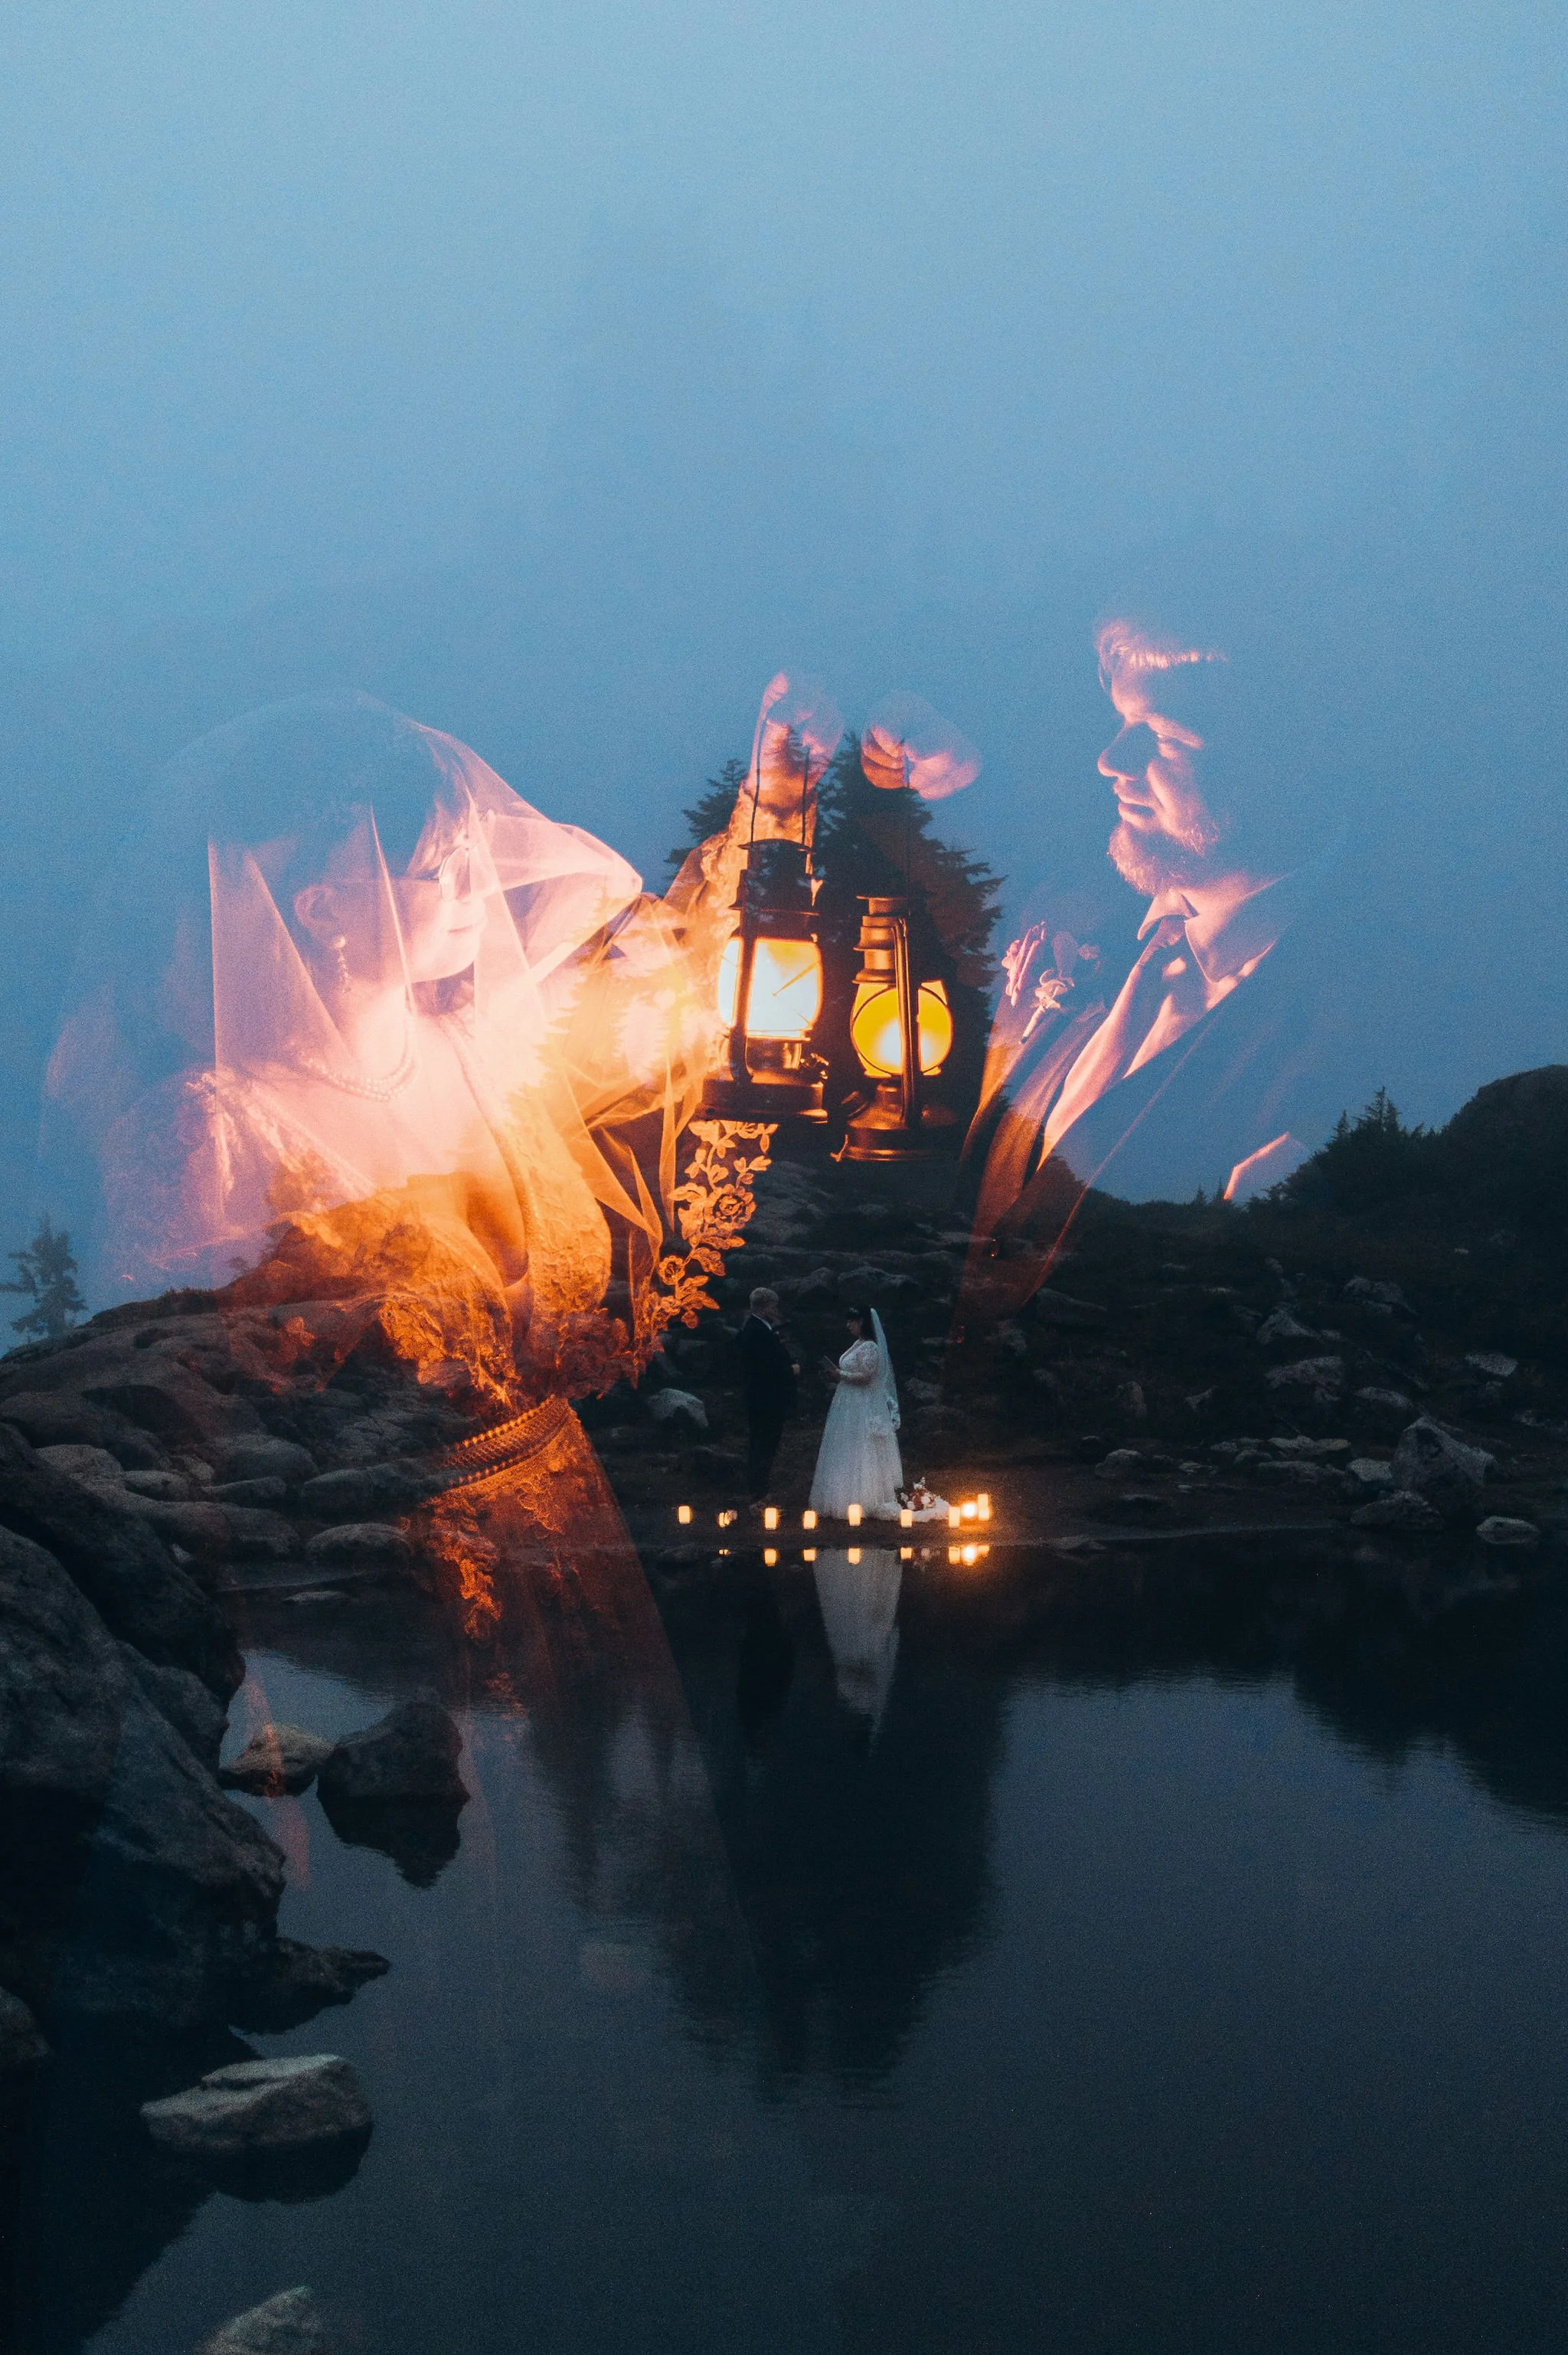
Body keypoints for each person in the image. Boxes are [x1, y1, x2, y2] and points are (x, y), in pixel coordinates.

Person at [962, 609, 1343, 1322]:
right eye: (1119, 722)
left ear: (1288, 761)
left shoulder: (1355, 1039)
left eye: (1163, 736)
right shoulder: (1078, 922)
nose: (1110, 759)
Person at [809, 1304, 903, 1520]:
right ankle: (844, 1494)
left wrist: (839, 1373)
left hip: (861, 1402)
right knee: (846, 1444)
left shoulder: (871, 1347)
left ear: (861, 1322)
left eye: (852, 1321)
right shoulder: (858, 1344)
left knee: (862, 1445)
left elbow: (867, 1376)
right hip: (847, 1401)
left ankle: (866, 1497)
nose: (848, 1325)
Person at [738, 1287, 799, 1500]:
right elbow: (763, 1367)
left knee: (765, 1444)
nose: (776, 1310)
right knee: (764, 1444)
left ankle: (760, 1488)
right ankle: (758, 1491)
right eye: (773, 1306)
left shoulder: (761, 1328)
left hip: (765, 1399)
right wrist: (789, 1370)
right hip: (765, 1400)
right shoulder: (756, 1331)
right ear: (764, 1307)